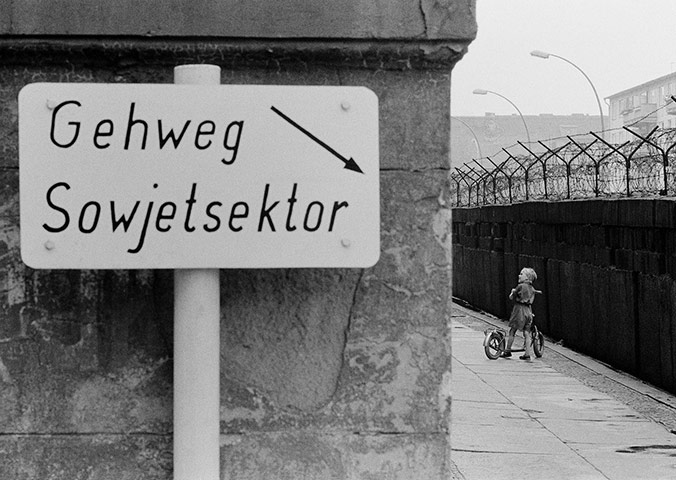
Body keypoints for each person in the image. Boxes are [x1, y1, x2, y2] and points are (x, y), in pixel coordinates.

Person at [502, 267, 541, 361]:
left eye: (521, 274)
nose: (519, 275)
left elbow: (512, 297)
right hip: (528, 310)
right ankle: (527, 353)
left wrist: (512, 293)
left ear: (527, 278)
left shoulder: (520, 286)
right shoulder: (532, 288)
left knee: (512, 331)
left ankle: (507, 350)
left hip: (519, 310)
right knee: (527, 333)